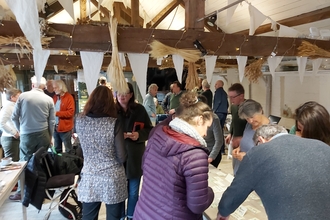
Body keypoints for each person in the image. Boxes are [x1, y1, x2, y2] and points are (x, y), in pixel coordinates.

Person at [216, 124, 330, 220]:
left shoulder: (259, 152)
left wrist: (222, 213)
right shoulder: (322, 146)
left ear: (260, 140)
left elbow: (235, 194)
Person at [134, 92, 214, 220]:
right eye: (207, 127)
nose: (205, 134)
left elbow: (145, 166)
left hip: (145, 212)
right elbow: (197, 206)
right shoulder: (194, 154)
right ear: (199, 120)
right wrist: (210, 192)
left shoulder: (158, 134)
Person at [76, 86, 127, 220]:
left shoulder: (80, 120)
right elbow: (122, 157)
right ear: (111, 102)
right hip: (112, 177)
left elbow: (80, 148)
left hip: (89, 176)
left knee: (88, 216)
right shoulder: (114, 123)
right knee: (113, 217)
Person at [11, 75, 55, 201]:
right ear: (44, 86)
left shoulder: (23, 96)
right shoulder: (48, 99)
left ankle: (22, 192)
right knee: (42, 162)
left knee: (24, 163)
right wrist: (50, 136)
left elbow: (14, 117)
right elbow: (51, 121)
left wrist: (21, 130)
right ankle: (43, 192)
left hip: (27, 134)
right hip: (43, 134)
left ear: (32, 84)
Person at [116, 82, 153, 220]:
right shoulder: (111, 111)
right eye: (119, 92)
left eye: (125, 93)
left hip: (135, 155)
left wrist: (139, 135)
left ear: (131, 94)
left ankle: (131, 216)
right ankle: (119, 216)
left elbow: (149, 129)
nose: (121, 96)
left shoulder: (140, 110)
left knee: (133, 192)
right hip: (117, 157)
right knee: (119, 192)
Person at [232, 99, 269, 175]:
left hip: (253, 176)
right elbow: (246, 141)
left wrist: (247, 158)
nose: (250, 121)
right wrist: (238, 149)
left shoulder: (270, 130)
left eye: (252, 117)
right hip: (240, 171)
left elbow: (268, 158)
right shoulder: (249, 125)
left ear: (260, 110)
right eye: (247, 118)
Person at [224, 83, 247, 170]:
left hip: (246, 142)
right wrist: (231, 133)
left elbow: (253, 128)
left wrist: (243, 139)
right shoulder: (233, 107)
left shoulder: (248, 108)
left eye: (233, 97)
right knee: (235, 166)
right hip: (235, 141)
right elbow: (234, 121)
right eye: (229, 97)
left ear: (241, 96)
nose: (230, 100)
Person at [198, 95, 222, 168]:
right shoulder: (195, 118)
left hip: (211, 153)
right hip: (199, 153)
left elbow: (219, 141)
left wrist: (211, 157)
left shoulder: (214, 119)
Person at [53, 80, 75, 153]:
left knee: (68, 149)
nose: (54, 89)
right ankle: (58, 163)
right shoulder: (55, 97)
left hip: (65, 128)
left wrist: (57, 113)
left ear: (61, 87)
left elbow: (70, 113)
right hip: (55, 128)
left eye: (56, 88)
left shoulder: (69, 97)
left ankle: (70, 164)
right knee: (57, 149)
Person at [0, 88, 21, 161]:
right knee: (12, 163)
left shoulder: (14, 106)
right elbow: (1, 123)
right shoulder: (8, 107)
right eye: (19, 96)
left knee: (17, 162)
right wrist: (14, 132)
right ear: (12, 97)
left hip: (14, 138)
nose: (20, 98)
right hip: (10, 138)